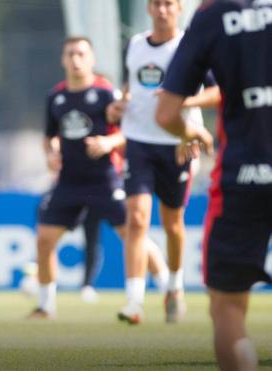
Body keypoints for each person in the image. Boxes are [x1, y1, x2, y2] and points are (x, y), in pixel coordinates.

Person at [156, 0, 272, 369]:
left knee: (227, 307)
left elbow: (167, 113)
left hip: (243, 179)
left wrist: (189, 132)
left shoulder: (211, 16)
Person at [28, 36, 169, 319]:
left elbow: (132, 132)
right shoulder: (55, 97)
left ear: (91, 59)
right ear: (63, 59)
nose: (76, 59)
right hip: (69, 180)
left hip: (105, 179)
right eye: (71, 54)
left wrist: (109, 143)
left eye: (82, 54)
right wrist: (51, 153)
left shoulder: (107, 94)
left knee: (132, 234)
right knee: (44, 239)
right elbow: (49, 138)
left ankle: (167, 287)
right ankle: (46, 306)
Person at [108, 0, 220, 324]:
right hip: (139, 143)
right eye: (157, 4)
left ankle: (174, 285)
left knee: (172, 224)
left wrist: (184, 102)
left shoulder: (191, 46)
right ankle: (134, 301)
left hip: (177, 145)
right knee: (137, 219)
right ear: (148, 8)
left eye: (169, 4)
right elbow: (130, 86)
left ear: (179, 9)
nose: (162, 10)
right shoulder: (134, 45)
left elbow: (216, 93)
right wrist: (120, 105)